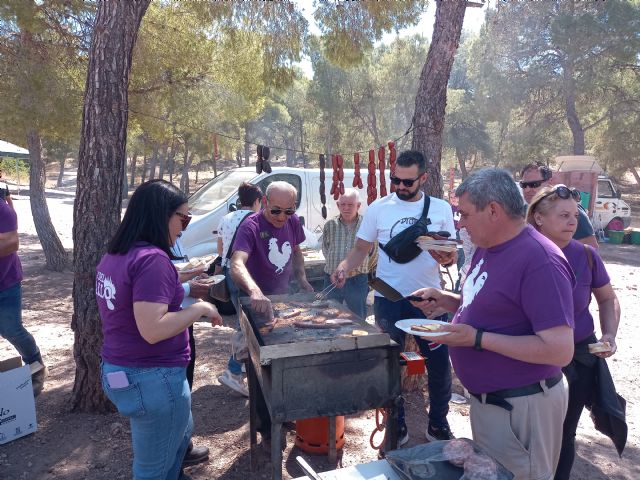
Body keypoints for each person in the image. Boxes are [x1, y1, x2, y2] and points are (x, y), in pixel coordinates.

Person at [410, 168, 575, 480]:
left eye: (465, 214)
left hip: (524, 407)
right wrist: (447, 300)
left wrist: (477, 339)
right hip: (493, 404)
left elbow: (559, 351)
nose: (460, 223)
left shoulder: (540, 260)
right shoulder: (488, 245)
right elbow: (494, 304)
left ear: (494, 211)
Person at [96, 179, 222, 480]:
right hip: (151, 377)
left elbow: (136, 294)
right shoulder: (152, 260)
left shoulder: (118, 253)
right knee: (152, 470)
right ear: (160, 214)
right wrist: (200, 309)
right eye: (184, 217)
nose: (185, 226)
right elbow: (152, 329)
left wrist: (179, 277)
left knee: (181, 431)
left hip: (120, 368)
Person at [332, 150, 456, 446]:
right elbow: (361, 248)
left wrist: (447, 257)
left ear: (423, 178)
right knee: (390, 365)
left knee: (439, 363)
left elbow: (450, 257)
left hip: (430, 300)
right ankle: (396, 423)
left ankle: (438, 422)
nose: (400, 186)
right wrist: (344, 266)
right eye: (395, 179)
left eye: (407, 182)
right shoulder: (379, 208)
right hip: (389, 298)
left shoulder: (440, 208)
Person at [526, 185, 623, 480]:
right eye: (564, 215)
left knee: (565, 434)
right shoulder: (520, 252)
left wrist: (609, 335)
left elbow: (607, 298)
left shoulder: (587, 255)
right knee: (529, 436)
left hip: (578, 357)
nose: (573, 222)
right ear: (539, 218)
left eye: (575, 216)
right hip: (529, 357)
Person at [229, 180, 313, 443]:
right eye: (276, 211)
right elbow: (236, 263)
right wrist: (255, 291)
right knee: (260, 366)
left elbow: (297, 252)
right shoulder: (250, 226)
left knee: (286, 361)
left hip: (283, 299)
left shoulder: (292, 221)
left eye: (288, 212)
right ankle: (265, 426)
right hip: (256, 302)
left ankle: (285, 410)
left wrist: (302, 279)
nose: (282, 218)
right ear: (264, 202)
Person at [215, 182, 262, 397]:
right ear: (256, 201)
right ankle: (233, 371)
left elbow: (220, 249)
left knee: (242, 321)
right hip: (245, 276)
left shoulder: (226, 218)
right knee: (248, 325)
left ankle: (243, 364)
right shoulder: (254, 219)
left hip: (228, 273)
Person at [0, 178, 46, 396]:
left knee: (12, 330)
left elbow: (11, 242)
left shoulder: (2, 209)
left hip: (5, 282)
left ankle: (35, 366)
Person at [170, 237, 213, 467]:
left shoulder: (173, 239)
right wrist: (189, 287)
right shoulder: (151, 247)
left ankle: (182, 447)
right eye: (183, 218)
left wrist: (193, 276)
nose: (185, 225)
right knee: (176, 390)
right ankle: (175, 454)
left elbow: (175, 274)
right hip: (171, 323)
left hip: (185, 320)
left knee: (185, 384)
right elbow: (159, 285)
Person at [520, 162, 598, 248]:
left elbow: (591, 249)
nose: (527, 190)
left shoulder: (571, 211)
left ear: (549, 182)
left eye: (534, 184)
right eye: (524, 185)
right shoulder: (520, 213)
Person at [321, 188, 372, 319]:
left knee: (358, 317)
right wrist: (334, 268)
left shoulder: (367, 225)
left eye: (350, 205)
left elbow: (373, 252)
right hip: (332, 278)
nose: (346, 208)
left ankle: (359, 339)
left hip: (357, 279)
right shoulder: (330, 225)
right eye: (343, 204)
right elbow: (326, 249)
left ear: (358, 206)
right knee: (329, 315)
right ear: (338, 205)